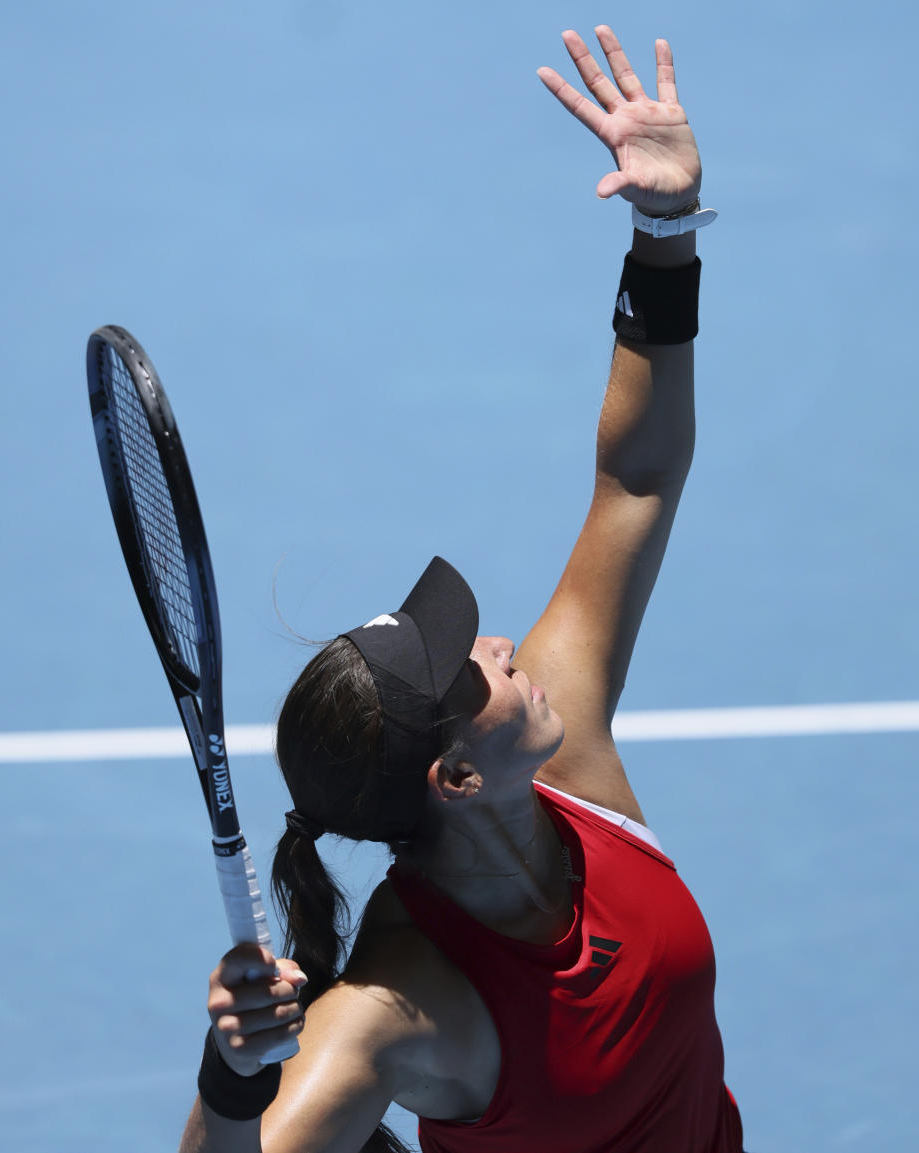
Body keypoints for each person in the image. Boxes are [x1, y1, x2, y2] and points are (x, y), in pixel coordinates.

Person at [179, 23, 745, 1153]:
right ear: (455, 773)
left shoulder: (562, 744)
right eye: (464, 666)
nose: (496, 643)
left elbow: (635, 480)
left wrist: (665, 231)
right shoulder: (400, 1006)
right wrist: (231, 1082)